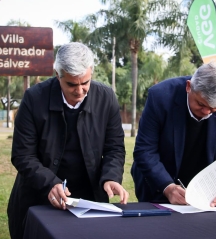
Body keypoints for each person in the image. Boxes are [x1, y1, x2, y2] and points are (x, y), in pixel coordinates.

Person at [7, 42, 129, 239]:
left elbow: (115, 148)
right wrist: (49, 184)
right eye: (72, 84)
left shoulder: (106, 98)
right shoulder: (34, 99)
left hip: (90, 196)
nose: (79, 91)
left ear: (92, 73)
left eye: (85, 83)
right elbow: (23, 155)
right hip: (39, 195)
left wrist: (111, 177)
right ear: (58, 75)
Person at [131, 62, 216, 208]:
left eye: (214, 108)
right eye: (201, 104)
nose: (206, 112)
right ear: (188, 87)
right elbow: (145, 150)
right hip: (158, 181)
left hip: (207, 190)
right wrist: (167, 187)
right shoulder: (160, 96)